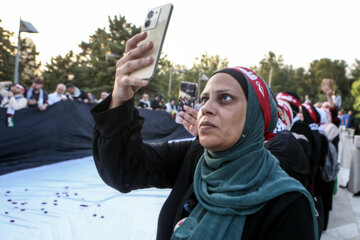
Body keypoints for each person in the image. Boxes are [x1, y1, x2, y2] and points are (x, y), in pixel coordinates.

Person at [91, 33, 318, 240]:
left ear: (255, 116)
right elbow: (124, 170)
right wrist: (120, 99)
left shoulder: (288, 203)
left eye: (225, 98)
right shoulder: (196, 155)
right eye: (205, 98)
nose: (206, 108)